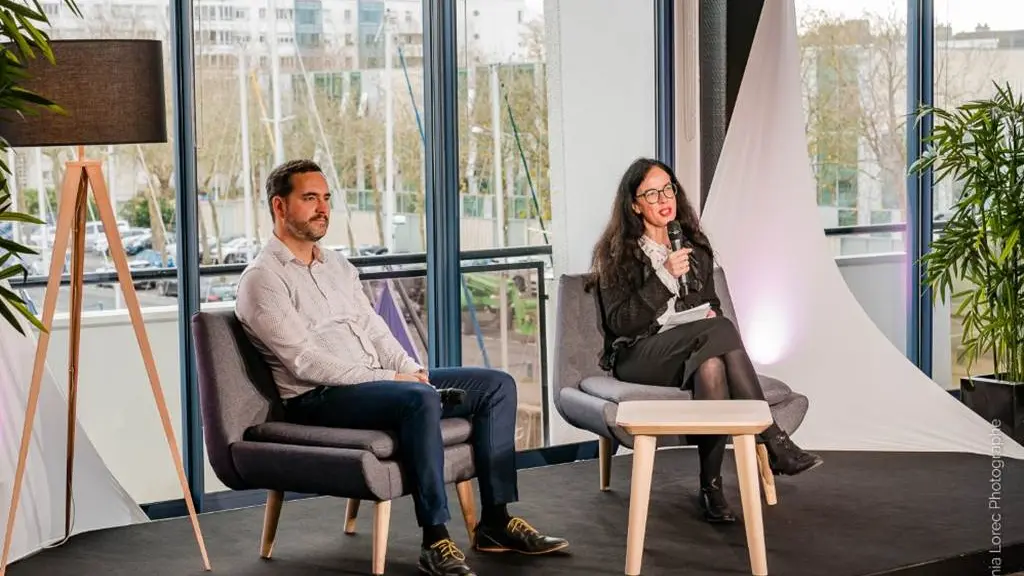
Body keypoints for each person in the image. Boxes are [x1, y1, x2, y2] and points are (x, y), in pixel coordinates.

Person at [235, 159, 568, 576]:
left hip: (377, 384)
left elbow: (374, 328)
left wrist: (412, 368)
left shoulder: (336, 266)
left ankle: (496, 522)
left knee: (495, 385)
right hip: (317, 397)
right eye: (309, 199)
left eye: (325, 199)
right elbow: (304, 361)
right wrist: (394, 380)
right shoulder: (261, 279)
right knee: (415, 400)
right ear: (279, 207)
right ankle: (435, 539)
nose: (322, 209)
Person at [587, 157, 823, 524]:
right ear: (634, 205)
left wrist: (706, 315)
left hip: (692, 348)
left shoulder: (695, 248)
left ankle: (711, 487)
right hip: (639, 354)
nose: (664, 198)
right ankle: (772, 438)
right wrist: (663, 277)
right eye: (651, 193)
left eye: (668, 188)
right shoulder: (618, 255)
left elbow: (710, 305)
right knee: (721, 330)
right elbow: (622, 324)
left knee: (713, 360)